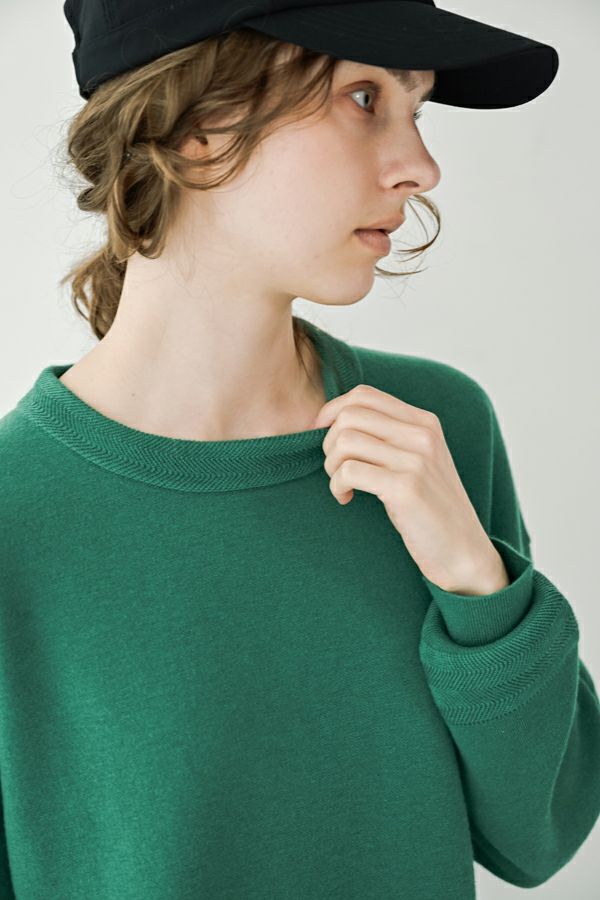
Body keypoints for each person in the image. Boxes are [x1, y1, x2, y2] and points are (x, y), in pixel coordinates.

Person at [0, 2, 598, 898]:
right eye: (364, 98)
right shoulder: (16, 515)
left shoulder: (435, 431)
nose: (422, 166)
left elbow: (538, 834)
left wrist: (478, 583)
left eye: (416, 109)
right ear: (199, 124)